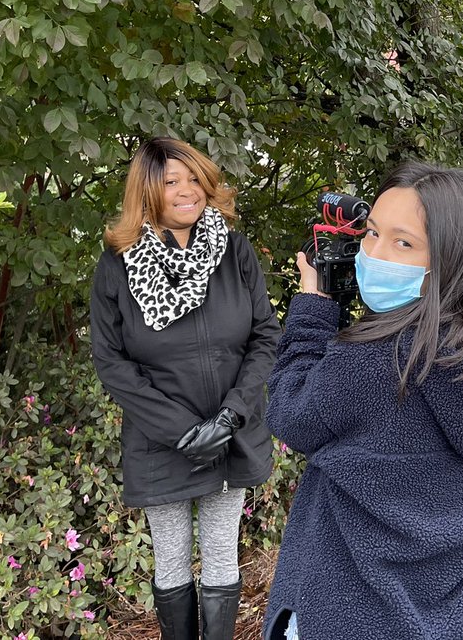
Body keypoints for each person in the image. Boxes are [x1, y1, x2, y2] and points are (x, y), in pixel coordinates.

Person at [263, 161, 463, 640]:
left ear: (455, 259)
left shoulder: (373, 361)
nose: (373, 253)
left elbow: (291, 412)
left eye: (404, 242)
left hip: (354, 611)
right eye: (371, 233)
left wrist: (312, 312)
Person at [90, 137, 281, 640]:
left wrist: (229, 418)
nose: (187, 190)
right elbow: (111, 361)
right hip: (161, 440)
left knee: (221, 555)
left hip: (230, 432)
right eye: (171, 181)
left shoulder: (234, 250)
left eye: (194, 178)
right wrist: (183, 431)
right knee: (171, 560)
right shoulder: (117, 264)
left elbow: (265, 337)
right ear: (148, 192)